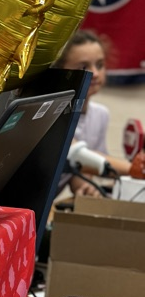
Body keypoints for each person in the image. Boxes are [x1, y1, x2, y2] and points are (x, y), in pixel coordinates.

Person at [55, 29, 132, 196]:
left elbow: (82, 167)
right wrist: (134, 169)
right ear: (61, 70)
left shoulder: (100, 115)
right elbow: (78, 154)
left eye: (100, 65)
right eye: (84, 67)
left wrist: (82, 183)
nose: (95, 74)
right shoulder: (52, 111)